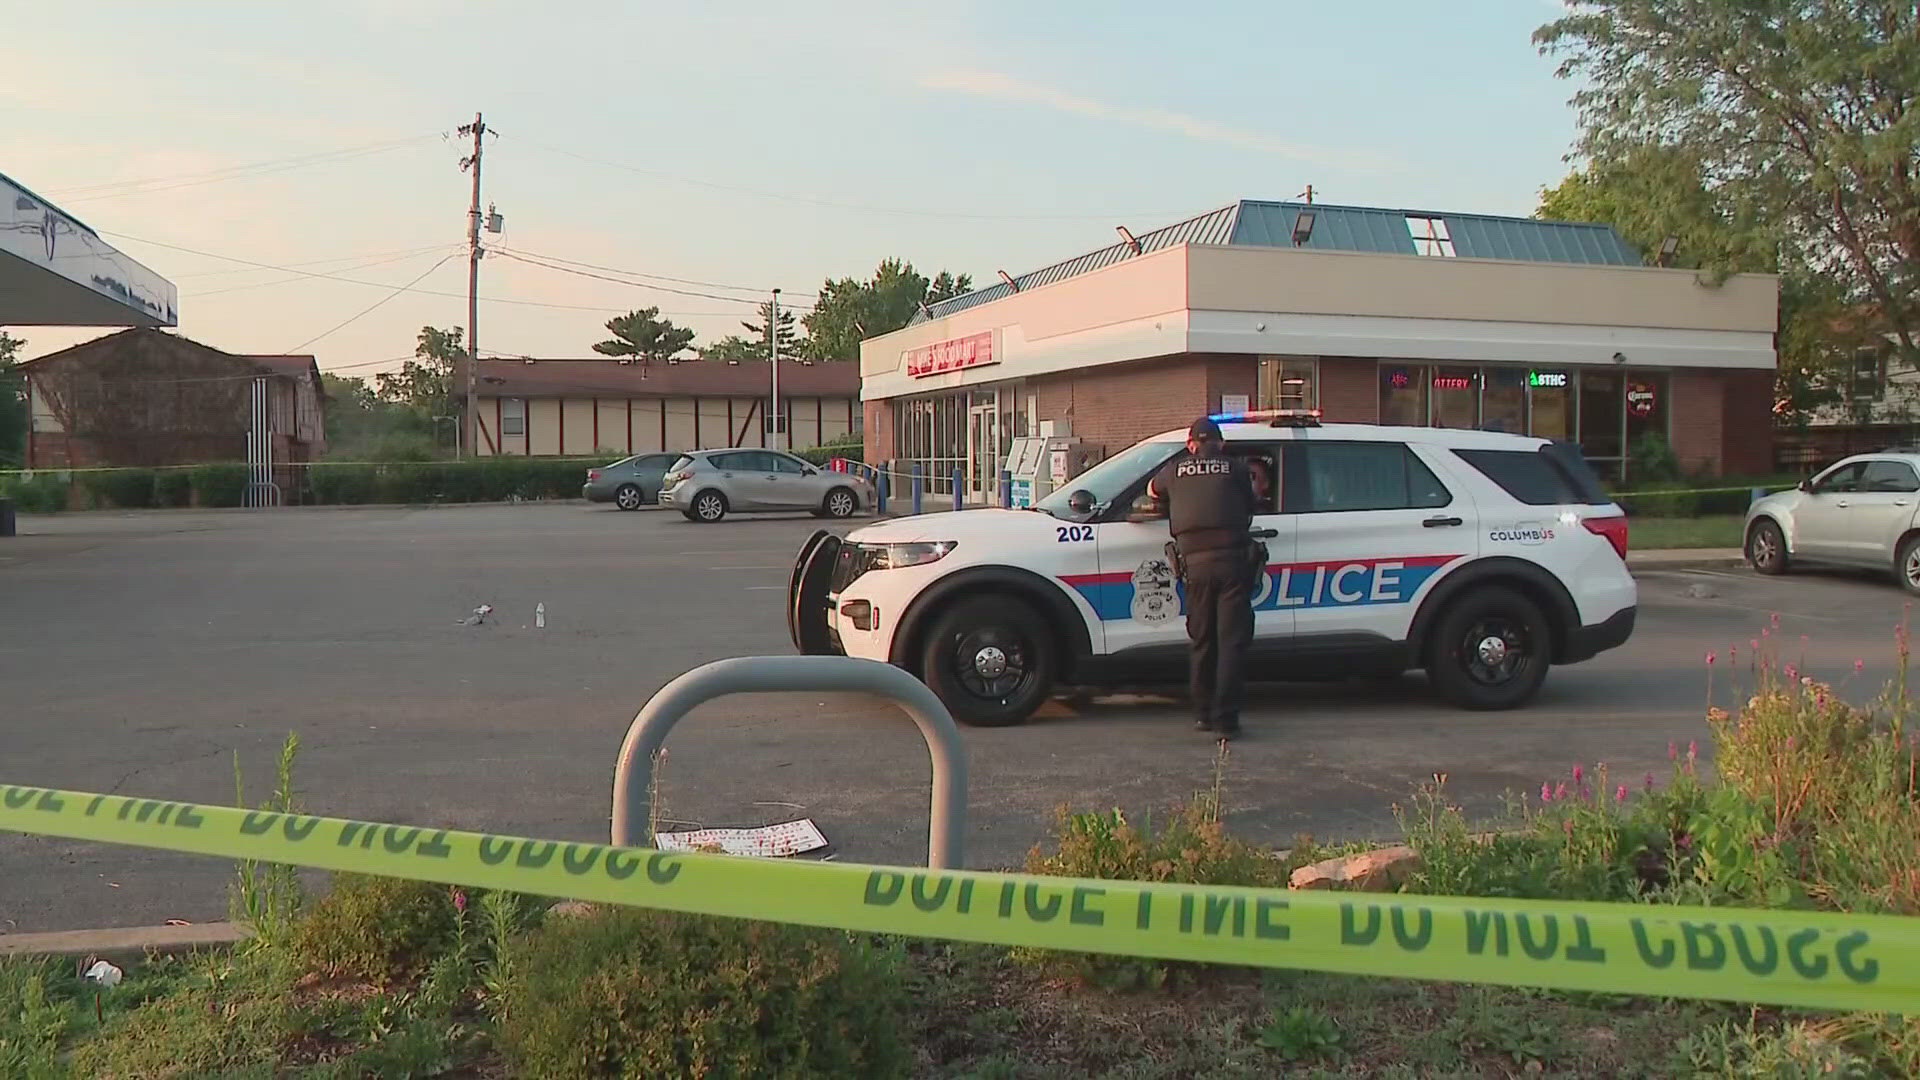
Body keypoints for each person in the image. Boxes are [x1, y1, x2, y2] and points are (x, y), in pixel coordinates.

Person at [1148, 417, 1259, 739]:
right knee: (1231, 642)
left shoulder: (1174, 469)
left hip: (1195, 566)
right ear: (1221, 444)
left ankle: (1203, 714)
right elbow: (1252, 502)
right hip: (1233, 564)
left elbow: (1151, 492)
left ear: (1191, 444)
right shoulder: (1237, 468)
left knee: (1202, 640)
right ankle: (1226, 720)